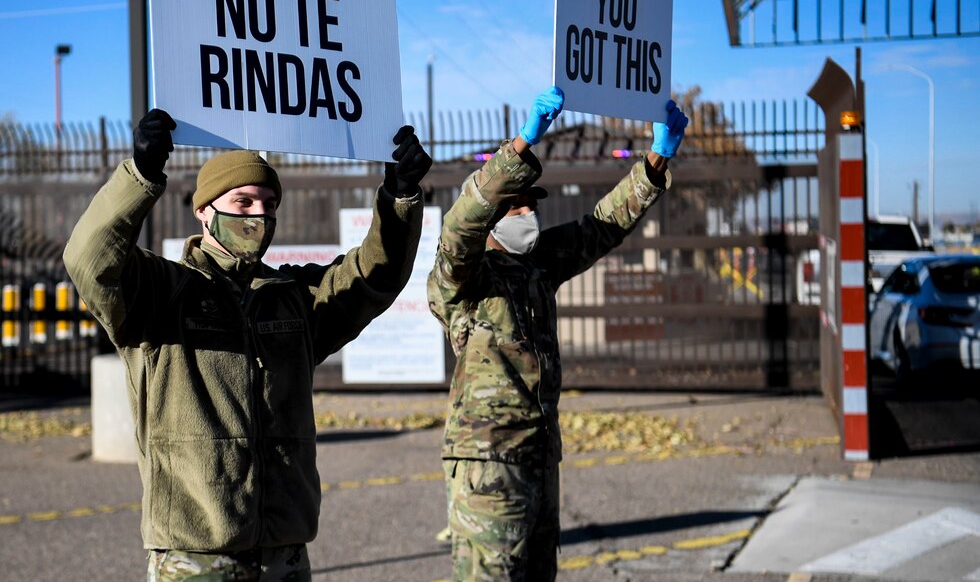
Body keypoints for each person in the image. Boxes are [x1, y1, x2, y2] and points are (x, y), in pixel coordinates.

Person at [63, 108, 431, 581]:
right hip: (195, 557)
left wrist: (399, 199)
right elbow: (88, 259)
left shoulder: (291, 300)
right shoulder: (161, 293)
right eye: (242, 201)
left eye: (269, 203)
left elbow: (370, 278)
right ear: (204, 210)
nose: (258, 214)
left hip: (284, 553)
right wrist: (141, 175)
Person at [427, 85, 688, 580]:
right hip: (488, 467)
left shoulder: (539, 265)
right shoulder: (462, 276)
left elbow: (601, 226)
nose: (527, 214)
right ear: (490, 217)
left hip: (541, 457)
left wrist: (654, 162)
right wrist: (520, 147)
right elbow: (459, 229)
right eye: (514, 206)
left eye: (530, 205)